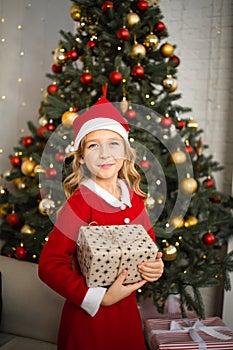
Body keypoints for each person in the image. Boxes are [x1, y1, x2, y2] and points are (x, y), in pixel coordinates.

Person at [38, 96, 164, 350]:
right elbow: (50, 265)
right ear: (82, 157)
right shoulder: (79, 204)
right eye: (94, 145)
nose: (105, 153)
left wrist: (155, 267)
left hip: (126, 319)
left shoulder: (135, 200)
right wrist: (99, 297)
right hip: (88, 324)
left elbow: (147, 248)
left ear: (125, 152)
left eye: (113, 144)